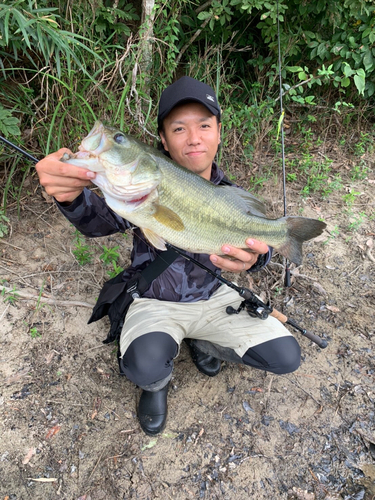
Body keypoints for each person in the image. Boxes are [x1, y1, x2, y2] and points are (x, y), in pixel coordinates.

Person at [36, 76, 301, 436]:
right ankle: (155, 385)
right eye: (179, 128)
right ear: (162, 140)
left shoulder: (232, 197)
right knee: (144, 365)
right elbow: (95, 222)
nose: (194, 138)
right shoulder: (138, 187)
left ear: (219, 133)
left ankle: (204, 340)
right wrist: (68, 196)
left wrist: (261, 256)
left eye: (204, 126)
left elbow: (257, 245)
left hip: (215, 296)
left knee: (286, 356)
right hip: (155, 299)